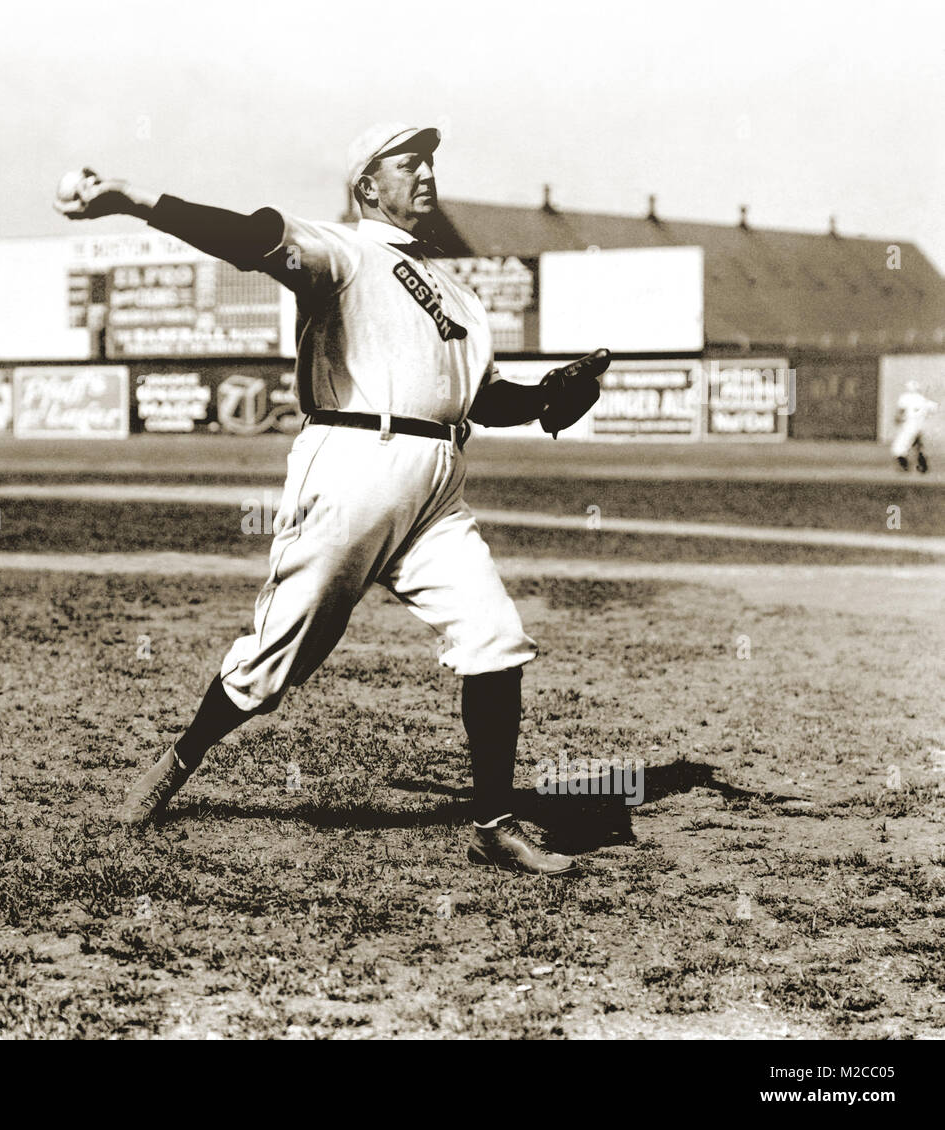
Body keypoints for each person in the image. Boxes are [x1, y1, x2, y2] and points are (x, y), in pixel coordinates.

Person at [56, 123, 586, 874]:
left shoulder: (463, 296)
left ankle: (495, 822)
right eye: (409, 162)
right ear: (368, 185)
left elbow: (482, 397)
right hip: (351, 461)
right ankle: (176, 763)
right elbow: (246, 237)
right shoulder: (343, 251)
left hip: (439, 480)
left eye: (431, 161)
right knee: (272, 662)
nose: (427, 173)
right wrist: (134, 201)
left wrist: (547, 398)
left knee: (495, 638)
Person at [891, 380, 938, 473]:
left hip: (910, 425)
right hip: (921, 426)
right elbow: (934, 408)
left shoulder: (905, 397)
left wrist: (897, 419)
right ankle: (923, 466)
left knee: (899, 448)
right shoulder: (923, 399)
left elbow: (900, 411)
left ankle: (904, 466)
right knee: (918, 446)